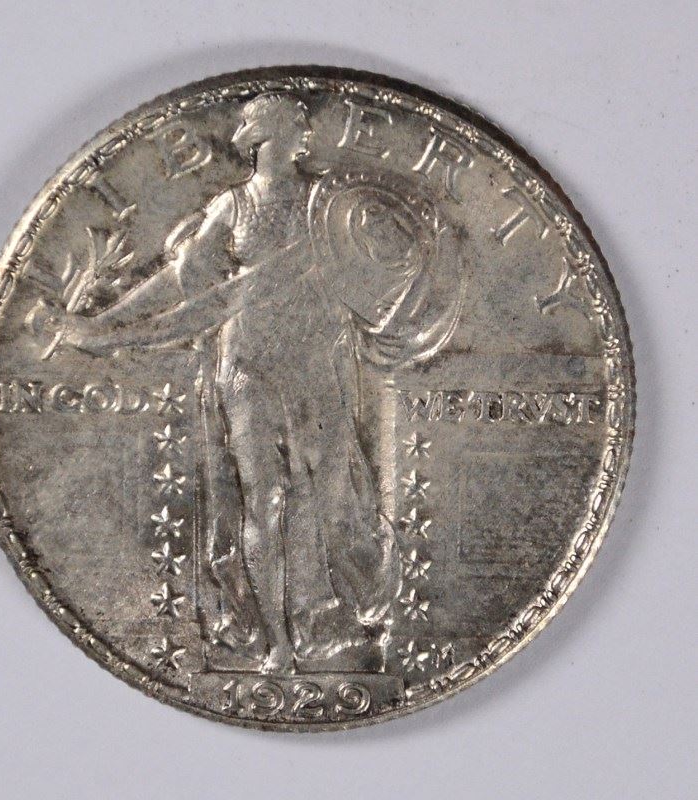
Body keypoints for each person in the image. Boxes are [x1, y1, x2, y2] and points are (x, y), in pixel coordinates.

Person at [64, 93, 462, 673]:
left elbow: (385, 263)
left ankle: (325, 620)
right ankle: (277, 643)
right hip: (247, 362)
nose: (307, 135)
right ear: (265, 136)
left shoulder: (328, 202)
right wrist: (106, 325)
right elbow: (180, 280)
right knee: (264, 499)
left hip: (316, 362)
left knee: (330, 497)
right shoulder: (233, 205)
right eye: (297, 125)